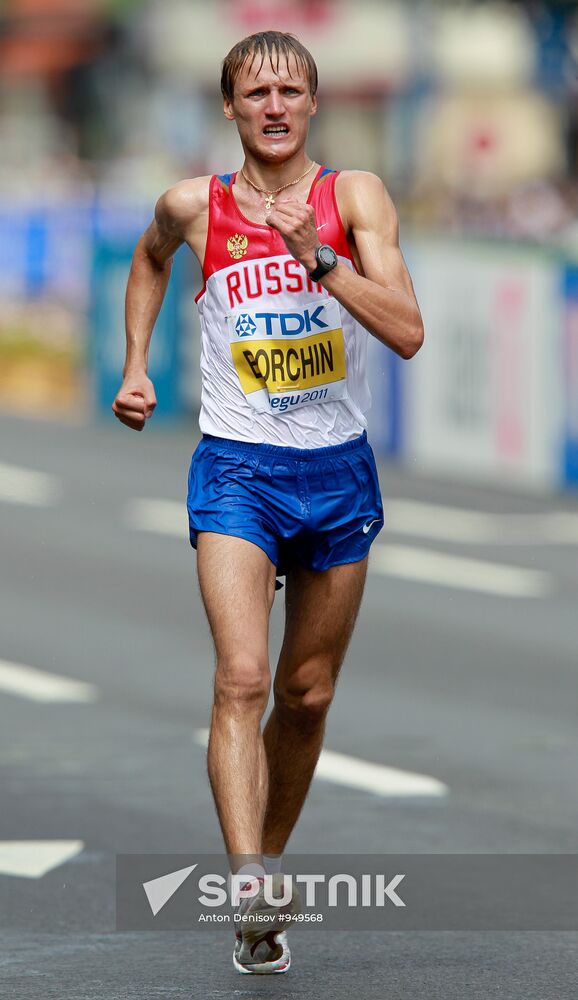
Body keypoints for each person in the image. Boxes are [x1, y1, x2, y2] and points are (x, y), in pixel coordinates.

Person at [112, 30, 423, 975]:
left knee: (306, 691)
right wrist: (135, 364)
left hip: (336, 473)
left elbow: (407, 330)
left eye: (292, 89)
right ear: (231, 108)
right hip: (237, 468)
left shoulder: (354, 197)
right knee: (242, 678)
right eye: (257, 93)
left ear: (314, 104)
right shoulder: (192, 205)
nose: (275, 105)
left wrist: (321, 262)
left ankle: (272, 863)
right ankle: (247, 883)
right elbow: (147, 259)